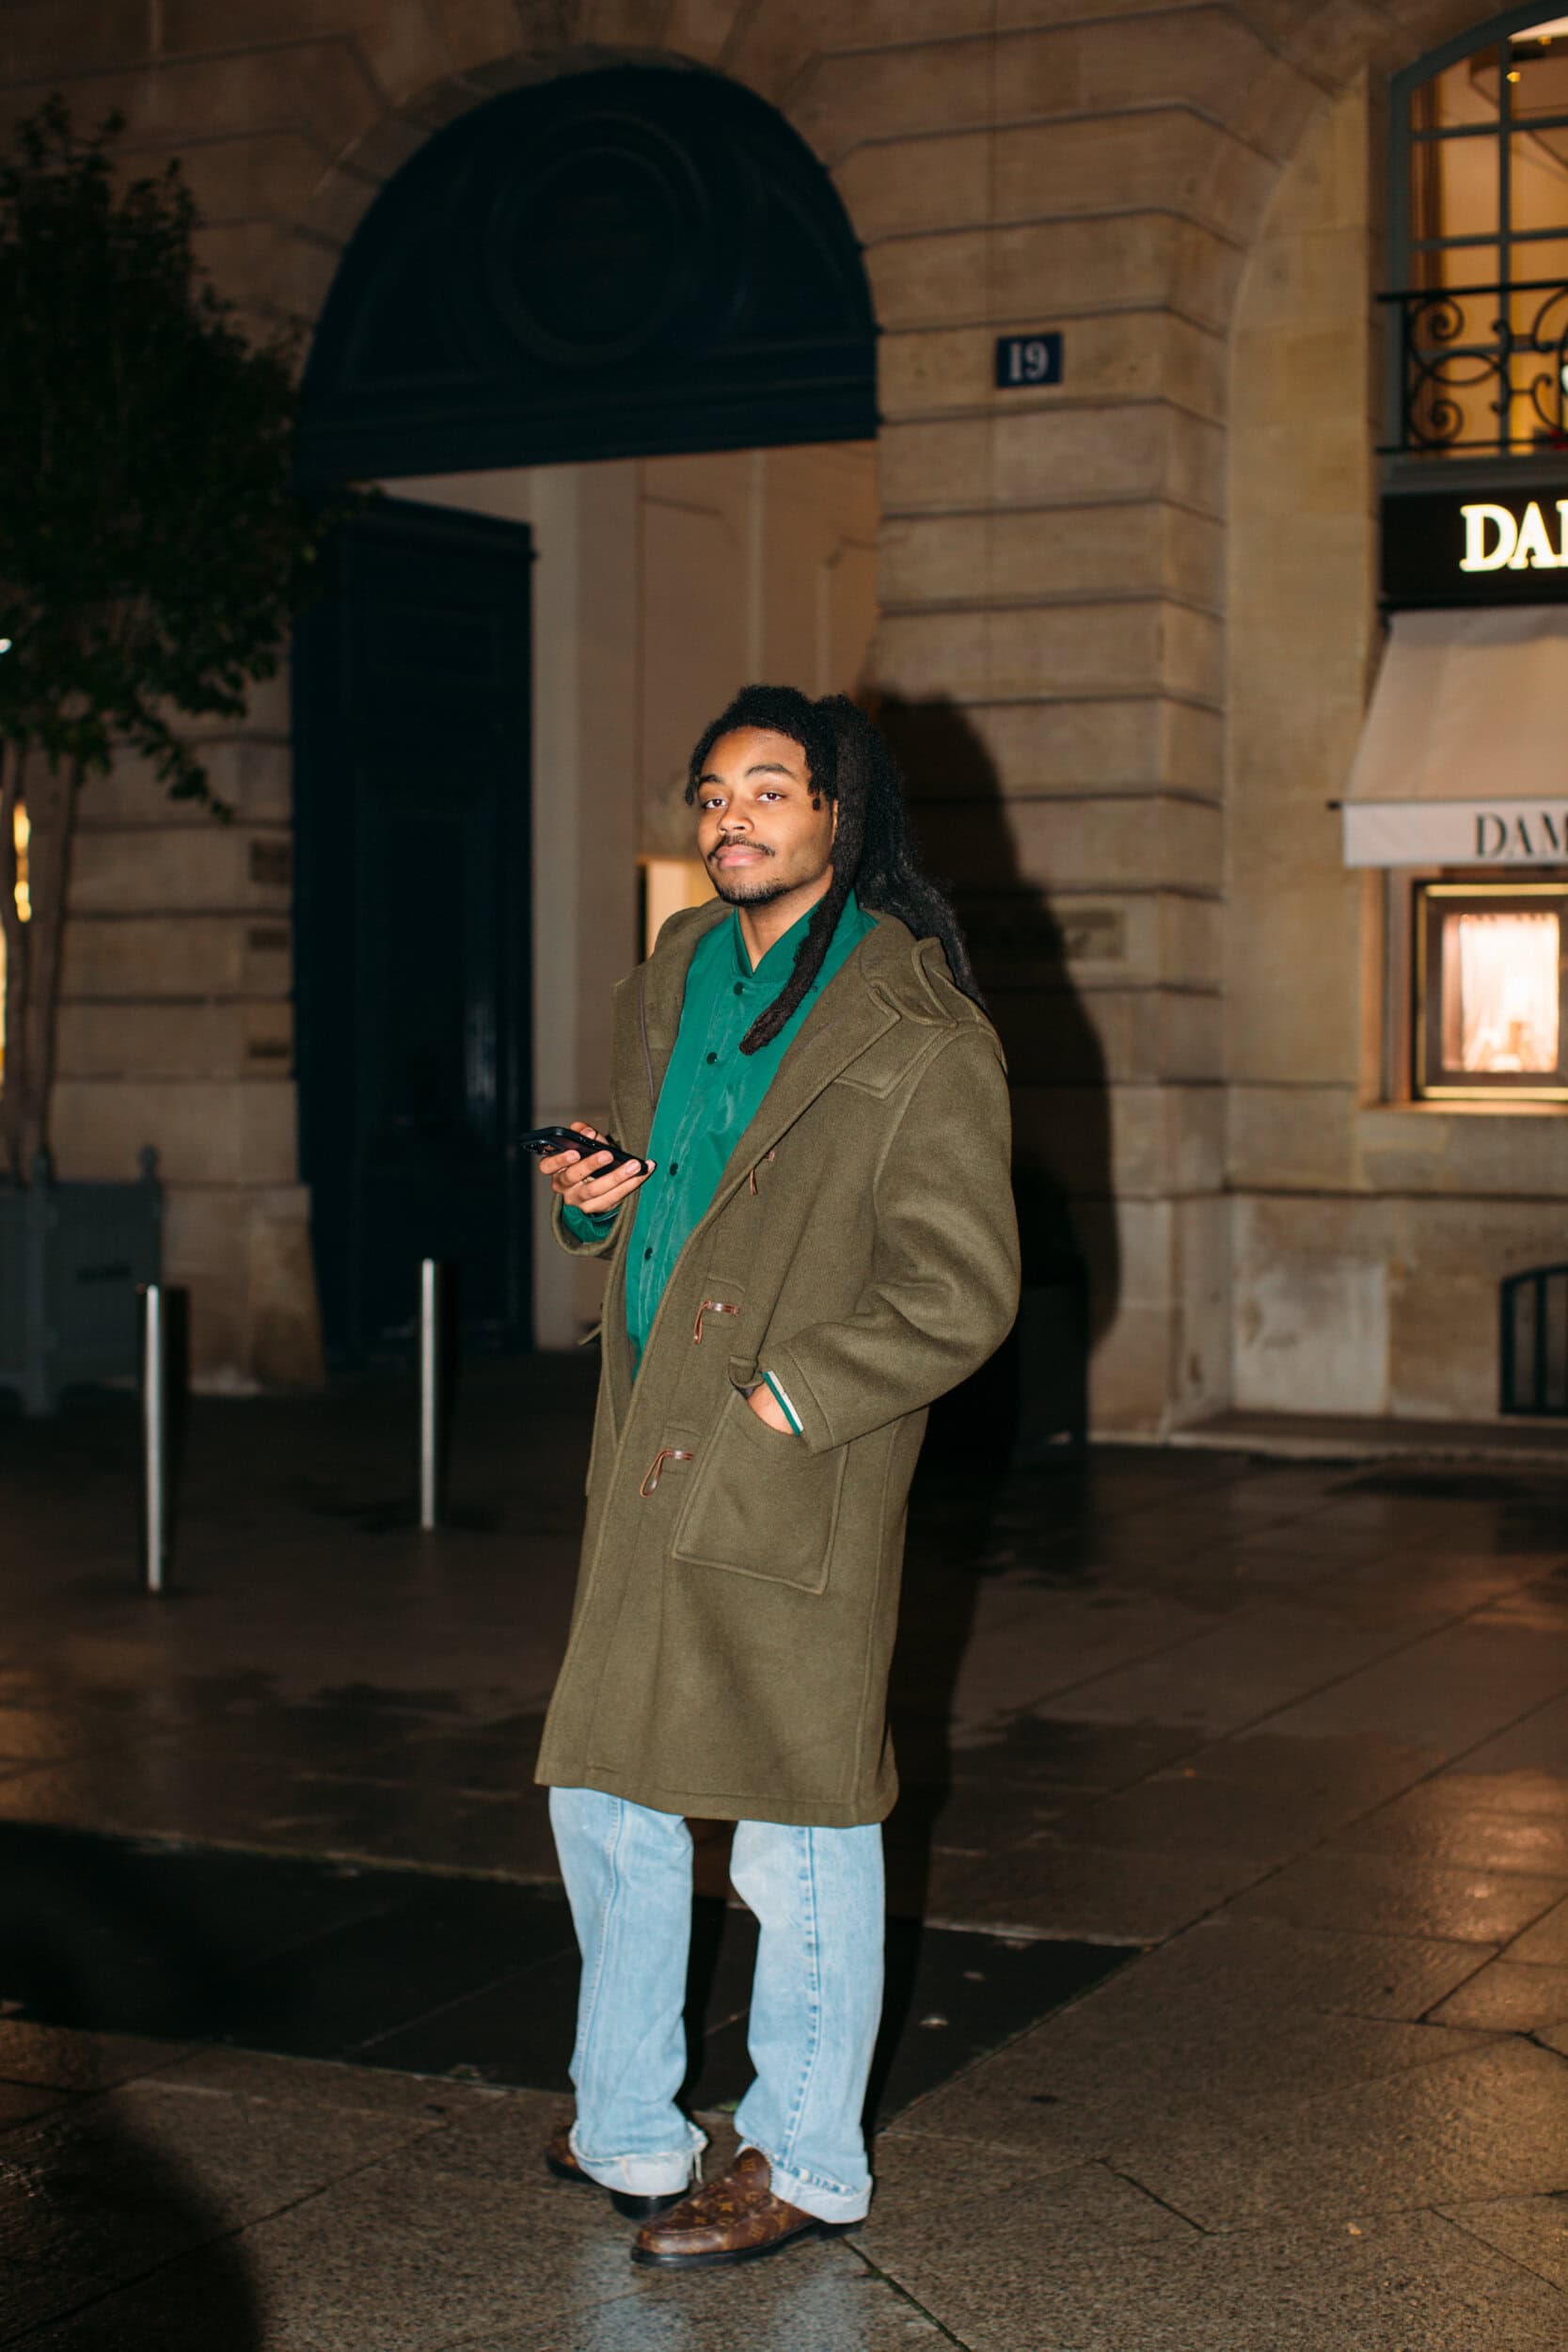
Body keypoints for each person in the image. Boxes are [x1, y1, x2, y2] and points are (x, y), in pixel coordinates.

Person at [532, 683, 1019, 2269]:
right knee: (606, 1789)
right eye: (712, 792)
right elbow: (646, 1181)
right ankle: (628, 2119)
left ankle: (804, 2155)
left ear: (839, 814)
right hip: (641, 1446)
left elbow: (961, 1290)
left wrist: (791, 1400)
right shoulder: (673, 973)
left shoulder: (919, 1029)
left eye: (769, 788)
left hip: (784, 1463)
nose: (731, 817)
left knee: (800, 1819)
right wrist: (594, 1204)